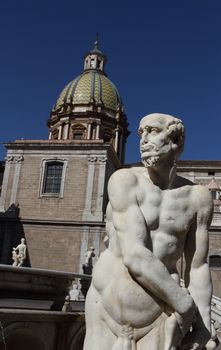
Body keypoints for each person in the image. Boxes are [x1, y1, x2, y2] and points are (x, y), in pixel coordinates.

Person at [84, 113, 213, 350]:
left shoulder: (199, 198)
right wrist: (184, 304)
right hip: (107, 312)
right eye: (141, 132)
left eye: (152, 131)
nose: (143, 139)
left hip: (162, 319)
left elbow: (198, 266)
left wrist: (204, 324)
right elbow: (134, 254)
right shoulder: (123, 180)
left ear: (175, 141)